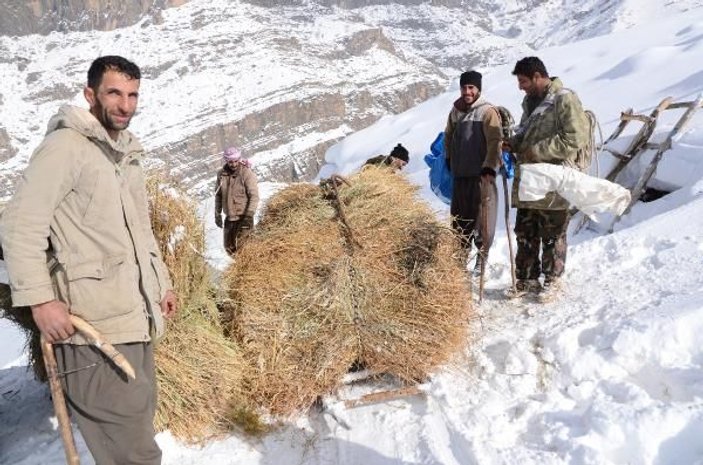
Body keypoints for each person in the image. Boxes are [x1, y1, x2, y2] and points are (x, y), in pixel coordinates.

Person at [0, 55, 177, 464]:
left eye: (133, 95)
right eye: (114, 92)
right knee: (134, 453)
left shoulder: (122, 156)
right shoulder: (66, 148)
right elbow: (19, 225)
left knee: (133, 432)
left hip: (133, 318)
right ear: (90, 94)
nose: (125, 105)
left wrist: (160, 284)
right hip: (93, 329)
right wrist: (41, 300)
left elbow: (139, 233)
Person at [504, 56, 590, 302]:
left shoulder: (564, 99)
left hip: (555, 180)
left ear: (538, 76)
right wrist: (513, 143)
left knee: (553, 232)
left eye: (523, 81)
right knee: (526, 230)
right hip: (530, 179)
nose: (520, 86)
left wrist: (536, 151)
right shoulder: (529, 102)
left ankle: (553, 281)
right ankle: (527, 279)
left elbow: (575, 138)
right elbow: (525, 132)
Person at [444, 70, 502, 273]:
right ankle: (459, 261)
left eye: (471, 87)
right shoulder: (456, 111)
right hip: (460, 177)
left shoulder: (487, 112)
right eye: (464, 87)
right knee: (459, 221)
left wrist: (489, 167)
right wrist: (449, 159)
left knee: (482, 221)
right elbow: (448, 137)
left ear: (478, 89)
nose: (467, 91)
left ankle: (481, 259)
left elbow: (495, 142)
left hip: (481, 177)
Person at [214, 146, 260, 255]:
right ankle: (239, 269)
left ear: (239, 159)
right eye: (230, 162)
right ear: (226, 161)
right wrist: (217, 214)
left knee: (245, 249)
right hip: (229, 218)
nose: (233, 164)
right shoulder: (221, 174)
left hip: (243, 217)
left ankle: (247, 270)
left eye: (236, 161)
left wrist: (249, 215)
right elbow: (218, 195)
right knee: (229, 248)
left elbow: (254, 196)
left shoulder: (246, 173)